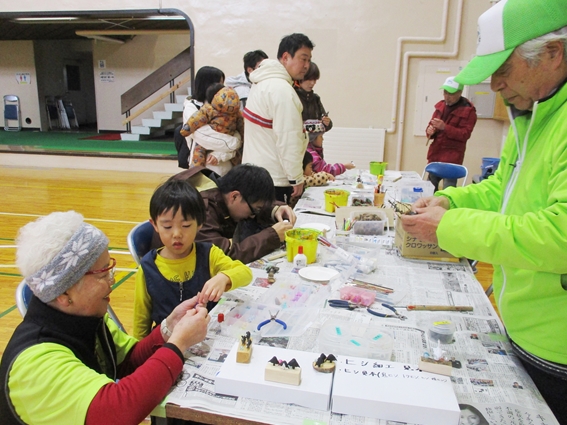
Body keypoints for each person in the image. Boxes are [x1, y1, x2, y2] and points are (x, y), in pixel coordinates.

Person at [400, 0, 567, 420]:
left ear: (553, 53)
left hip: (558, 347)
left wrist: (450, 226)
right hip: (525, 326)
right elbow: (502, 190)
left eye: (504, 69)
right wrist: (451, 200)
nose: (494, 85)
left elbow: (560, 234)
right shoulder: (533, 116)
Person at [0, 211, 210, 425]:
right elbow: (118, 411)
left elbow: (127, 361)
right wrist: (179, 343)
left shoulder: (86, 317)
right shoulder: (35, 364)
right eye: (102, 274)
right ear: (63, 294)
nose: (112, 280)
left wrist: (168, 329)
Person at [133, 178, 252, 339]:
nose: (177, 234)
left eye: (186, 226)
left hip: (204, 338)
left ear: (200, 223)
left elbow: (245, 273)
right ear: (154, 225)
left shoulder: (209, 254)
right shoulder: (148, 268)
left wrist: (224, 277)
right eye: (167, 226)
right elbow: (140, 325)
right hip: (167, 344)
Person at [152, 164, 296, 264]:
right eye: (256, 210)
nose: (253, 215)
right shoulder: (203, 208)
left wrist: (275, 208)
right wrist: (271, 236)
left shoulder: (219, 187)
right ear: (234, 196)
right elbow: (223, 255)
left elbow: (252, 201)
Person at [242, 33, 315, 205]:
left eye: (309, 60)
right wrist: (296, 177)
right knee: (278, 221)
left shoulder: (262, 82)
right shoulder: (281, 90)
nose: (307, 65)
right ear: (286, 57)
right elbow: (288, 138)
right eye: (303, 59)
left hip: (255, 173)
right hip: (274, 179)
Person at [179, 66, 241, 176]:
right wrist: (236, 143)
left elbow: (234, 130)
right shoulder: (192, 107)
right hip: (204, 166)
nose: (222, 88)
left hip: (227, 164)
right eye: (219, 83)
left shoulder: (223, 107)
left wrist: (220, 155)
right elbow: (205, 138)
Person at [425, 75, 477, 191]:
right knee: (429, 190)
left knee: (448, 191)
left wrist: (445, 127)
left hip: (452, 158)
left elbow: (465, 134)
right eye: (445, 92)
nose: (447, 97)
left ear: (460, 93)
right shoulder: (440, 106)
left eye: (451, 94)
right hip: (435, 155)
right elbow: (431, 126)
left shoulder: (469, 111)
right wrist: (430, 131)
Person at [294, 61, 333, 131]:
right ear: (300, 79)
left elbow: (326, 121)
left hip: (315, 137)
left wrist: (327, 122)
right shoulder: (293, 97)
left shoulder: (315, 98)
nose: (313, 83)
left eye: (315, 79)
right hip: (298, 136)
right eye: (309, 79)